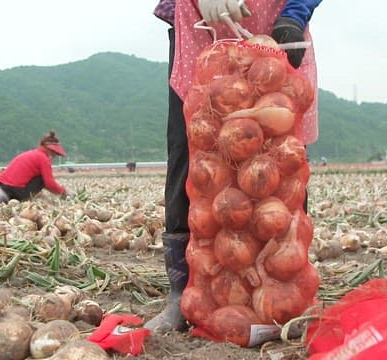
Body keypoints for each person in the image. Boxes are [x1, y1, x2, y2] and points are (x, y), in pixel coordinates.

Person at [146, 0, 322, 333]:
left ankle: (286, 291)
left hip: (276, 28)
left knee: (283, 156)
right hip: (203, 25)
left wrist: (296, 13)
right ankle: (184, 293)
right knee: (193, 150)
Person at [0, 130, 75, 203]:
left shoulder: (31, 154)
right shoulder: (43, 158)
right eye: (54, 153)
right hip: (14, 191)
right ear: (50, 150)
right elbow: (49, 183)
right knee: (42, 179)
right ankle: (24, 200)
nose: (54, 156)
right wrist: (64, 192)